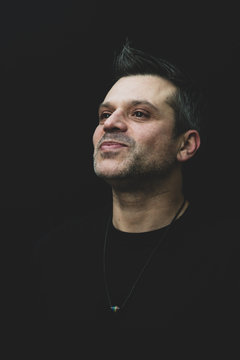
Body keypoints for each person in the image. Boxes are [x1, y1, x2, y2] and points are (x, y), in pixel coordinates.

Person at [32, 41, 240, 335]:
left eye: (139, 113)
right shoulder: (52, 257)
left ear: (186, 144)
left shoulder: (229, 260)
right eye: (105, 114)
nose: (111, 124)